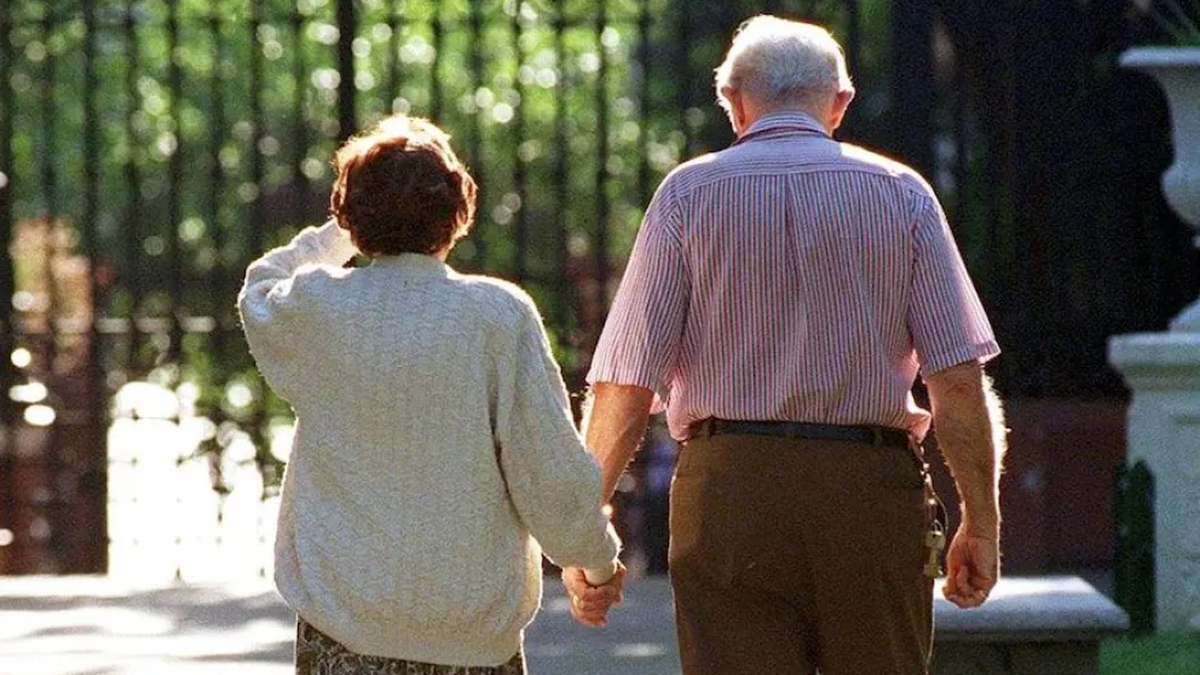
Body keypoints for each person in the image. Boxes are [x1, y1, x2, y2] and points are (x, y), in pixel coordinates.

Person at [562, 15, 1007, 675]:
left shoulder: (686, 196)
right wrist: (981, 521)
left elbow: (626, 382)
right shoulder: (902, 195)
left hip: (729, 491)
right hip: (869, 492)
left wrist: (585, 523)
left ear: (733, 101)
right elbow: (958, 381)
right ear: (840, 103)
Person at [238, 114, 625, 675]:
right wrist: (596, 563)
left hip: (345, 630)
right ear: (458, 212)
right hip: (471, 636)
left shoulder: (319, 307)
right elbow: (548, 472)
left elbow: (260, 285)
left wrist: (344, 229)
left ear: (351, 213)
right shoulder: (498, 315)